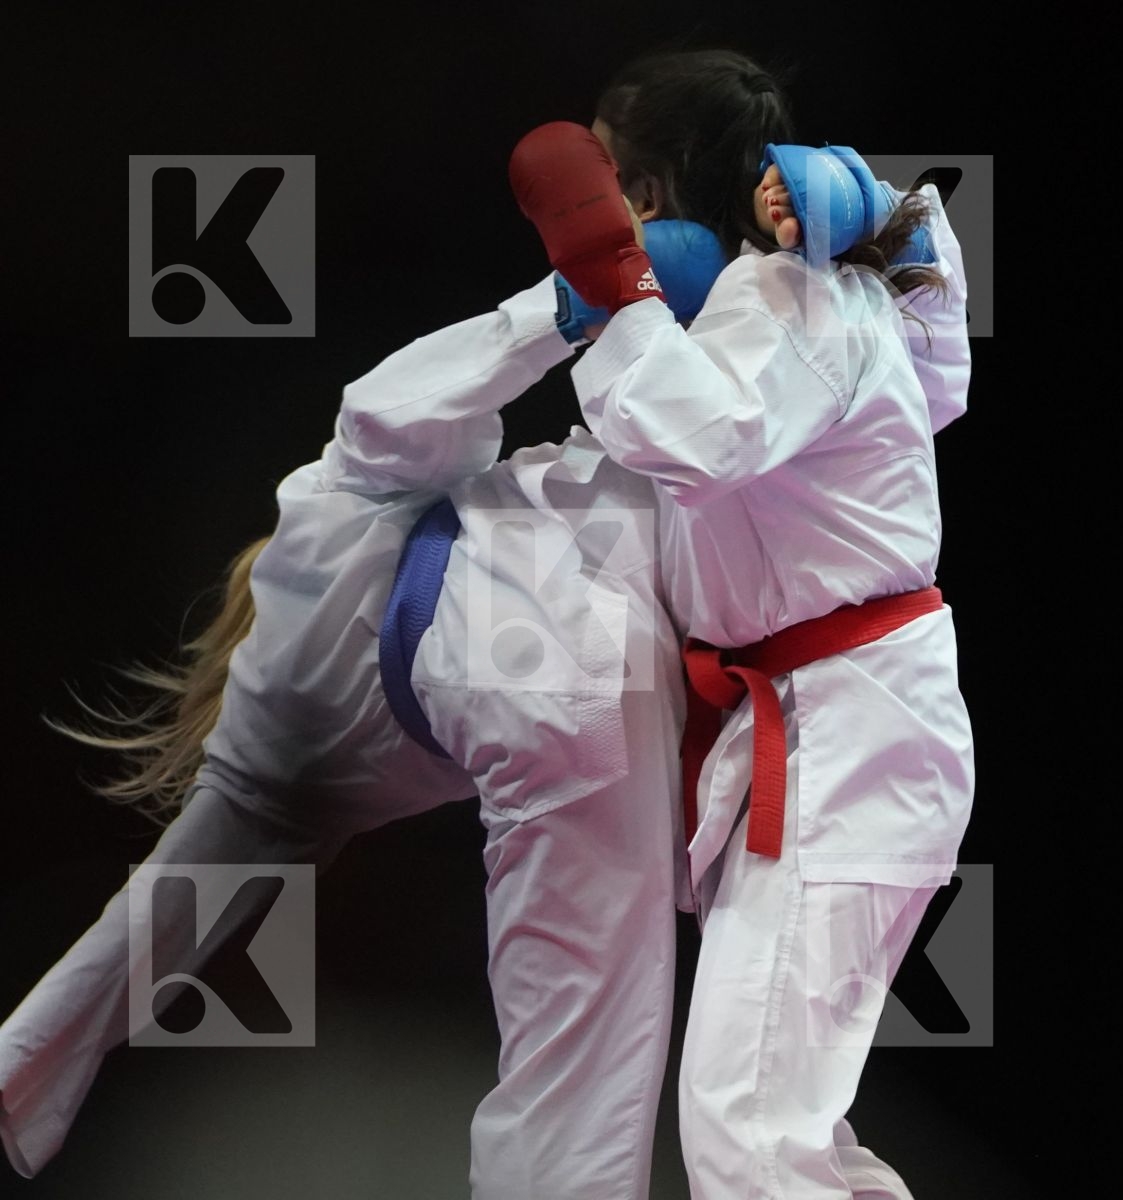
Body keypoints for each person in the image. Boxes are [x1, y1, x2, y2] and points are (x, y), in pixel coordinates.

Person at [1, 263, 689, 1198]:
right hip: (586, 623)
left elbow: (144, 930)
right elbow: (382, 412)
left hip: (576, 688)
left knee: (588, 1030)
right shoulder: (320, 521)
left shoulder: (268, 757)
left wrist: (21, 1074)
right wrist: (562, 306)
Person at [514, 48, 976, 1199]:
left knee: (753, 1132)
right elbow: (937, 373)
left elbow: (698, 436)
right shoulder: (765, 305)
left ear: (646, 192)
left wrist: (613, 286)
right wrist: (894, 228)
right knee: (770, 1131)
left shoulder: (792, 297)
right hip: (827, 730)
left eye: (610, 183)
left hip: (853, 731)